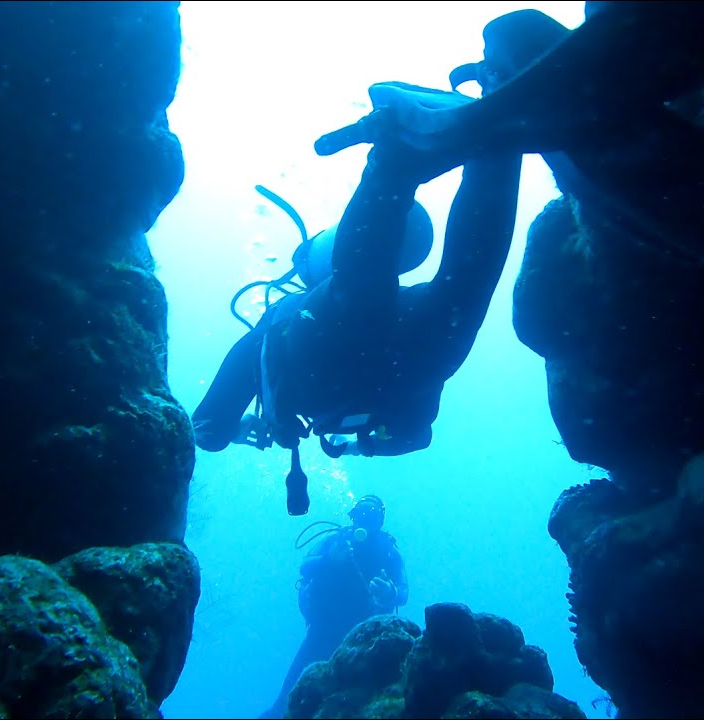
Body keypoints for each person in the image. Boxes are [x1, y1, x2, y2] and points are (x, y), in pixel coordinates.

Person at [192, 67, 523, 516]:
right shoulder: (292, 317)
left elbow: (206, 429)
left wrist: (243, 428)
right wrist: (352, 447)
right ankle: (483, 136)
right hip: (403, 359)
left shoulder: (276, 320)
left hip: (400, 361)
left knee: (464, 282)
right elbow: (418, 436)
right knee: (400, 287)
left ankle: (492, 150)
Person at [260, 495, 408, 719]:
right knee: (287, 700)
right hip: (325, 627)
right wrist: (330, 559)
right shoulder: (335, 541)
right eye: (361, 517)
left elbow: (403, 592)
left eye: (372, 519)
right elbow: (305, 567)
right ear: (353, 517)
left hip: (366, 637)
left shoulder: (389, 551)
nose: (364, 524)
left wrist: (390, 592)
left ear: (380, 522)